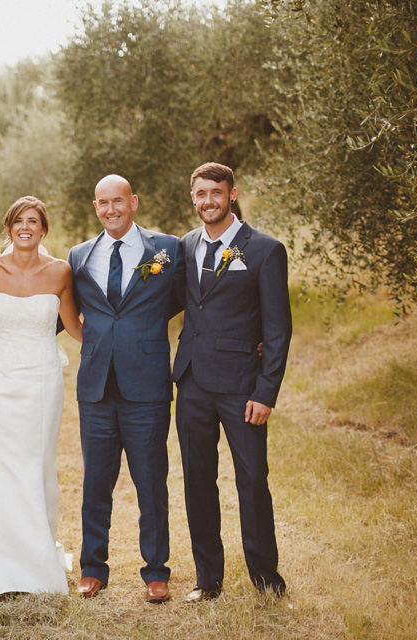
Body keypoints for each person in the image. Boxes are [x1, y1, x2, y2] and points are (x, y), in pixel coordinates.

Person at [0, 196, 82, 595]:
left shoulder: (61, 271)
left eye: (34, 221)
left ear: (44, 229)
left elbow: (75, 327)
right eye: (18, 221)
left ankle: (35, 557)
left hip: (42, 379)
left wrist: (121, 331)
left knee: (35, 461)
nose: (26, 227)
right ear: (8, 228)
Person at [172, 162, 291, 601]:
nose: (208, 201)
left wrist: (266, 391)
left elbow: (278, 329)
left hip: (243, 387)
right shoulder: (185, 246)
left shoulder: (264, 249)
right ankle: (208, 580)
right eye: (201, 194)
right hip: (192, 384)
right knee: (197, 481)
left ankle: (266, 580)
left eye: (216, 193)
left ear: (232, 194)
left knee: (252, 480)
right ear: (193, 198)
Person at [68, 175, 185, 604]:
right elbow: (64, 310)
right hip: (95, 387)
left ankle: (156, 572)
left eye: (118, 200)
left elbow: (186, 299)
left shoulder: (168, 249)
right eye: (103, 203)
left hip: (147, 383)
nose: (111, 209)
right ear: (95, 207)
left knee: (151, 481)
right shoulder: (79, 255)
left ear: (133, 201)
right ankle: (92, 568)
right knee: (95, 482)